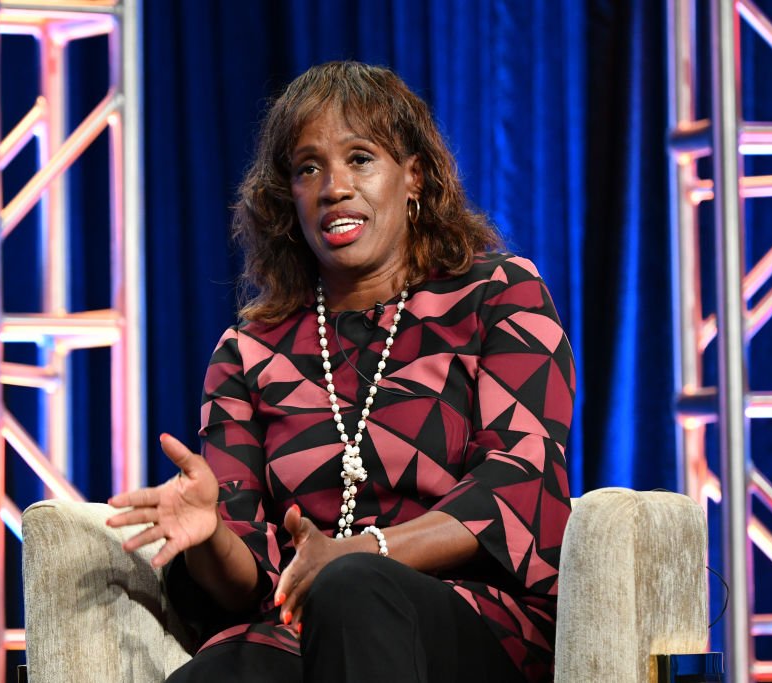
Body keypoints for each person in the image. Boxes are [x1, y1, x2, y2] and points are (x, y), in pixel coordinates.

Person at [107, 61, 575, 683]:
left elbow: (523, 483)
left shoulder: (499, 295)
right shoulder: (249, 351)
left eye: (360, 159)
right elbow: (248, 573)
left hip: (473, 620)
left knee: (353, 590)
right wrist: (211, 533)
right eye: (308, 168)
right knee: (217, 672)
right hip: (299, 627)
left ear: (414, 176)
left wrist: (355, 554)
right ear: (287, 201)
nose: (334, 187)